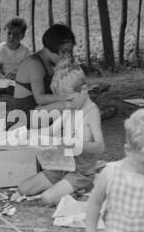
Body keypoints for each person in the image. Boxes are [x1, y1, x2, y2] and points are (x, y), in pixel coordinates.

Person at [16, 64, 105, 205]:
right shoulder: (70, 109)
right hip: (62, 165)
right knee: (23, 188)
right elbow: (51, 130)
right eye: (63, 101)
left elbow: (100, 147)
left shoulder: (91, 111)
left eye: (69, 100)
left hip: (81, 172)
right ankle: (64, 186)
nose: (66, 104)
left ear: (84, 90)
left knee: (47, 199)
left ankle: (81, 186)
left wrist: (75, 144)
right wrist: (28, 134)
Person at [10, 23, 75, 115]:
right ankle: (54, 129)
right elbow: (40, 99)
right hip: (25, 114)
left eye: (69, 52)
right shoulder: (35, 63)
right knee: (69, 105)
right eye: (63, 51)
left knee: (77, 103)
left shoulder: (52, 63)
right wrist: (68, 96)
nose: (66, 56)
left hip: (40, 109)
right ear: (51, 47)